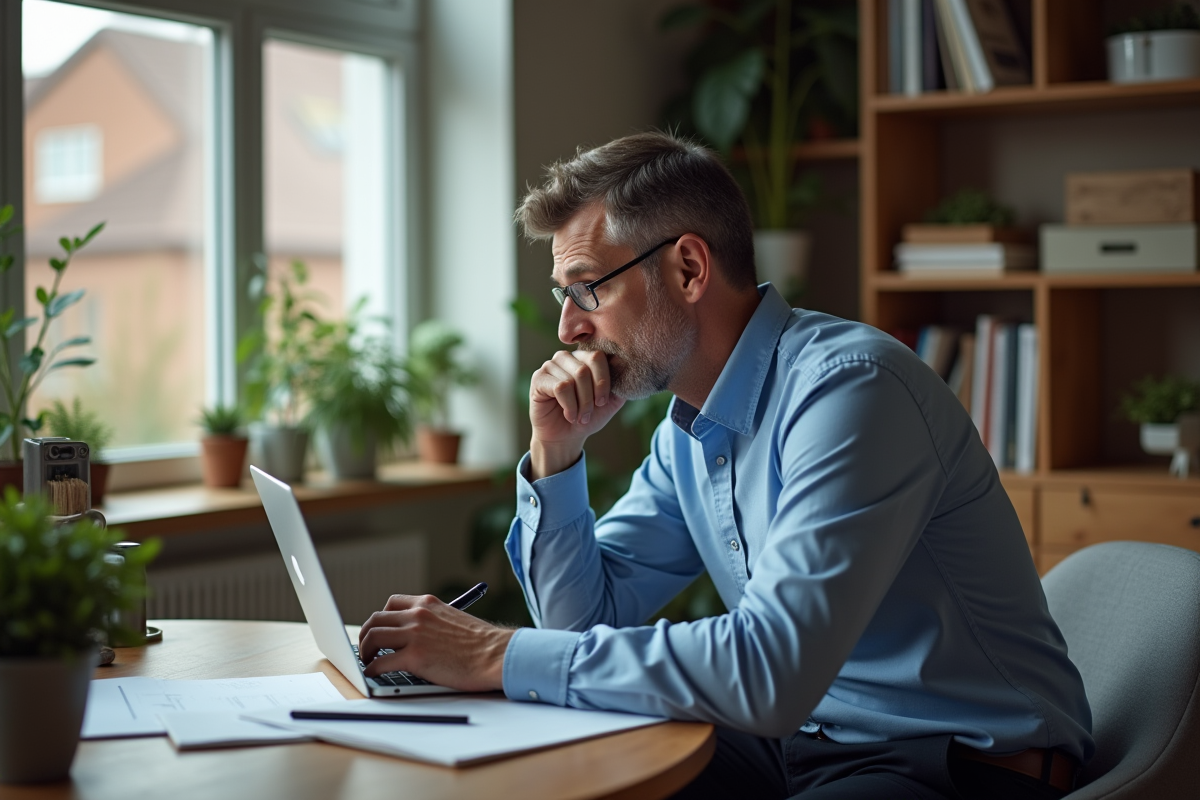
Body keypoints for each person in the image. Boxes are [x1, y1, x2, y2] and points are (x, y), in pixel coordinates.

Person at [358, 131, 1093, 799]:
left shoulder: (852, 393)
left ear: (686, 268)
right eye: (565, 295)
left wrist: (500, 653)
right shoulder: (689, 430)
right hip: (802, 743)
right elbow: (583, 622)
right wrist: (557, 454)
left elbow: (769, 669)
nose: (568, 327)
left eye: (590, 289)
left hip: (958, 765)